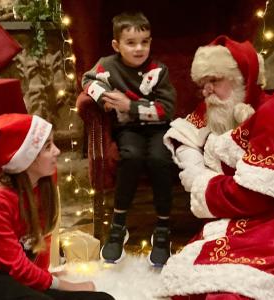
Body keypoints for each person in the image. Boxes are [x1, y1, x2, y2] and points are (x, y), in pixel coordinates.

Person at [157, 36, 274, 299]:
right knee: (198, 285)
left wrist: (203, 183)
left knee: (241, 287)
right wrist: (192, 166)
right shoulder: (221, 105)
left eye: (214, 80)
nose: (207, 90)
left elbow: (257, 196)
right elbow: (185, 134)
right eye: (203, 84)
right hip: (243, 220)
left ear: (242, 79)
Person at [0, 114, 114, 300]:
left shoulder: (42, 187)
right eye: (48, 147)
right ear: (28, 157)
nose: (57, 151)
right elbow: (16, 266)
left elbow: (37, 246)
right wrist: (67, 286)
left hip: (12, 277)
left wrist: (46, 281)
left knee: (102, 299)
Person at [81, 11, 176, 266]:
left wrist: (129, 105)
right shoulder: (108, 65)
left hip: (158, 128)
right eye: (131, 43)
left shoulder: (158, 70)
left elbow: (167, 109)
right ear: (117, 45)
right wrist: (104, 97)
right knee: (131, 156)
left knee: (160, 158)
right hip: (128, 130)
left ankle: (163, 228)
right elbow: (86, 80)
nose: (139, 48)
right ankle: (118, 224)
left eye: (144, 42)